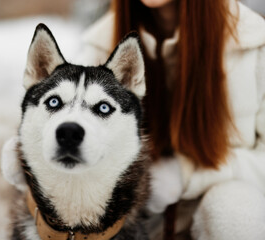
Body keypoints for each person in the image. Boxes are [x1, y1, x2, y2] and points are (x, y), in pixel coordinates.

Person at [77, 0, 265, 239]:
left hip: (224, 222)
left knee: (237, 207)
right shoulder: (102, 44)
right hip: (142, 226)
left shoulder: (254, 42)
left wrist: (185, 175)